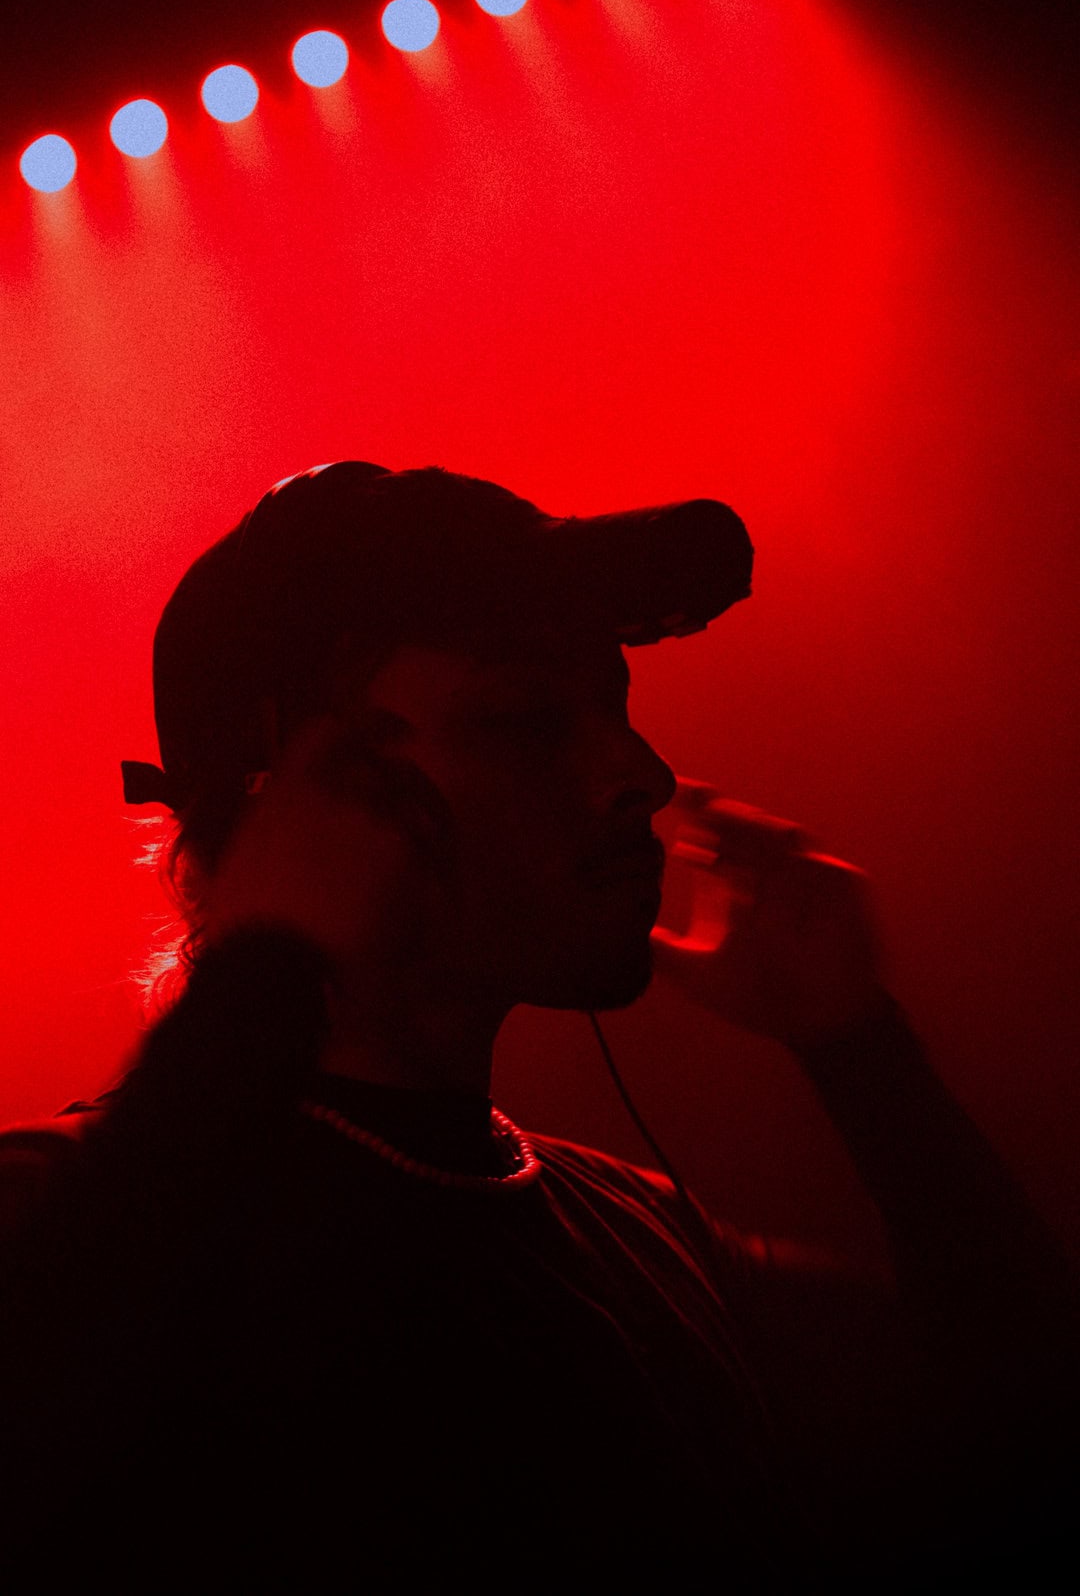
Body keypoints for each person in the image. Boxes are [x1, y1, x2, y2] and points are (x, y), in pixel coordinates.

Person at [0, 461, 1074, 1588]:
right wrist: (267, 975)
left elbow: (1029, 1440)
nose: (641, 772)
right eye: (523, 721)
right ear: (297, 793)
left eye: (616, 706)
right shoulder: (54, 1211)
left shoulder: (647, 1233)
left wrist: (860, 1049)